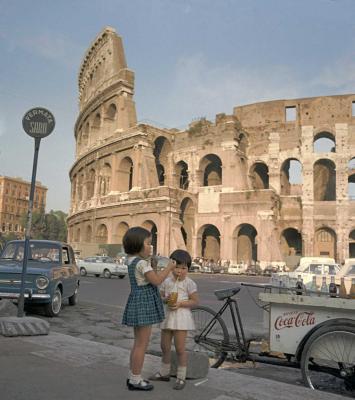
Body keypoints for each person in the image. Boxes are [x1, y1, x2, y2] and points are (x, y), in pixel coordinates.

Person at [122, 226, 176, 391]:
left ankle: (133, 376)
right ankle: (136, 380)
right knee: (142, 345)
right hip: (144, 304)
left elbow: (145, 282)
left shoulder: (132, 261)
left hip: (137, 301)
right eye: (147, 243)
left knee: (137, 343)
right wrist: (169, 267)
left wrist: (151, 264)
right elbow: (157, 280)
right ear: (137, 244)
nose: (150, 246)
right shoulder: (141, 264)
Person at [150, 249, 199, 390]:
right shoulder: (166, 282)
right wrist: (165, 299)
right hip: (168, 316)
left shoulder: (189, 283)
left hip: (181, 318)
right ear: (171, 266)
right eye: (176, 267)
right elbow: (160, 296)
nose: (179, 271)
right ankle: (164, 373)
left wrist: (181, 304)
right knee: (164, 346)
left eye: (183, 268)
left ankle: (181, 377)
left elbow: (195, 301)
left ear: (188, 269)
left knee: (180, 349)